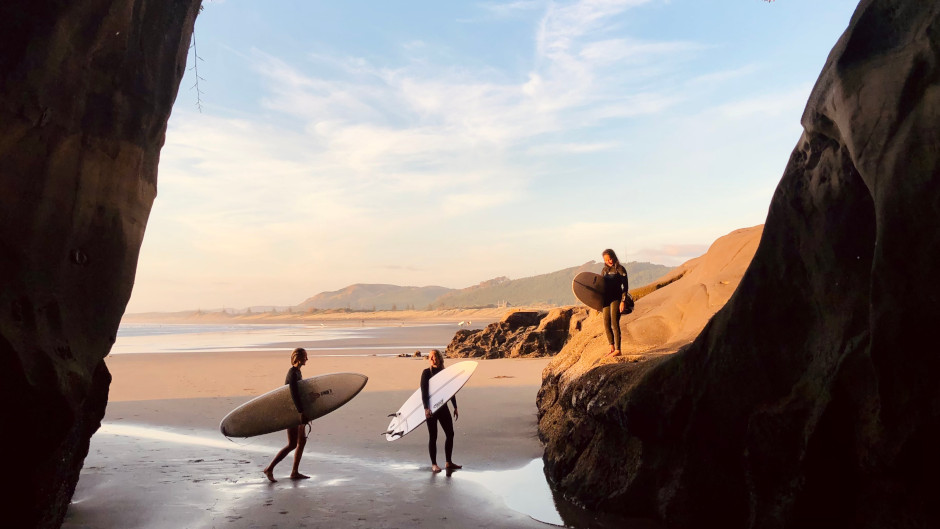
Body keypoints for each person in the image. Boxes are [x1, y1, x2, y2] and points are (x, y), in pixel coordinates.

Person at [263, 347, 311, 482]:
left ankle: (295, 472)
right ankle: (269, 469)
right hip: (291, 412)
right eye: (305, 356)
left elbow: (300, 394)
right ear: (298, 358)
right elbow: (294, 395)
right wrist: (301, 413)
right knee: (292, 444)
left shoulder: (297, 372)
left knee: (302, 441)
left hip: (297, 411)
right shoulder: (292, 374)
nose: (307, 359)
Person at [421, 349, 461, 473]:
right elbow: (424, 392)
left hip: (443, 408)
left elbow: (450, 391)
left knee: (450, 434)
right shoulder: (426, 373)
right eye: (430, 357)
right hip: (432, 409)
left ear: (439, 357)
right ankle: (434, 464)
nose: (432, 359)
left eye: (434, 356)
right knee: (433, 436)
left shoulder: (445, 373)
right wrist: (426, 408)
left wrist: (455, 406)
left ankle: (448, 462)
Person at [601, 249, 630, 358]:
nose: (609, 261)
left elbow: (625, 287)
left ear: (614, 257)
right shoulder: (604, 270)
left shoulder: (620, 269)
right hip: (606, 300)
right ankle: (612, 348)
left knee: (614, 323)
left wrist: (623, 301)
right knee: (606, 323)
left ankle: (618, 350)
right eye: (607, 260)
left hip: (616, 299)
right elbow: (600, 287)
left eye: (610, 258)